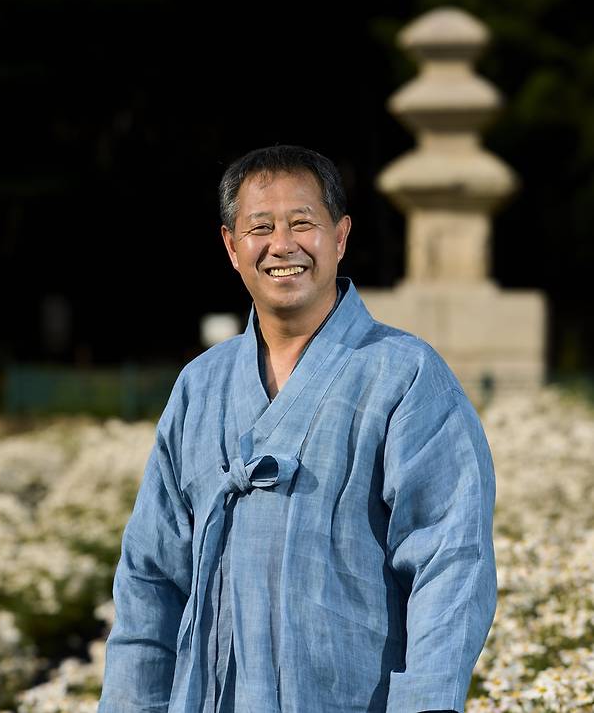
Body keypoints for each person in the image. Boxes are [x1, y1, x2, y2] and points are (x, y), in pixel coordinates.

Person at [98, 145, 497, 713]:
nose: (282, 245)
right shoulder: (199, 386)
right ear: (232, 248)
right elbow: (150, 575)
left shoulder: (404, 374)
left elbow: (451, 560)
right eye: (260, 227)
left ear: (340, 236)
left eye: (302, 223)